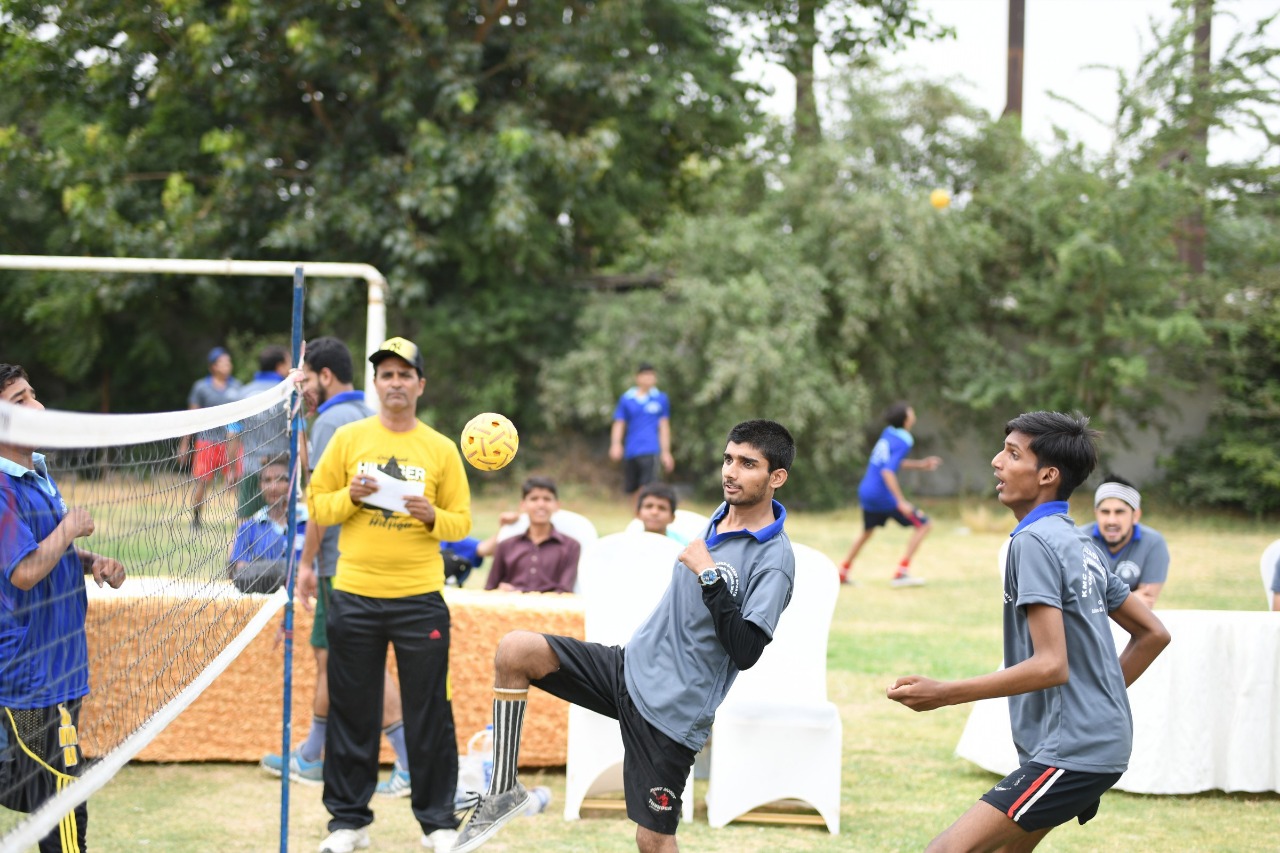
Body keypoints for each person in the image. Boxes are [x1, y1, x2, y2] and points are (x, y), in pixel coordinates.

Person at [453, 419, 796, 853]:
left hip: (672, 712)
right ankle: (503, 790)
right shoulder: (723, 514)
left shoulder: (775, 559)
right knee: (516, 649)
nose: (731, 471)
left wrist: (709, 574)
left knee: (653, 842)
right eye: (728, 459)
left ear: (776, 477)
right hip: (627, 668)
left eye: (748, 464)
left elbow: (746, 651)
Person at [887, 411, 1170, 852]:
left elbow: (1051, 665)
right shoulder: (1081, 543)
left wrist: (944, 693)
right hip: (1098, 742)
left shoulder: (1033, 542)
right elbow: (1154, 633)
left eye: (1013, 454)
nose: (997, 462)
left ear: (1048, 475)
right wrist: (1099, 702)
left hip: (1074, 749)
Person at [307, 336, 472, 853]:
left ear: (420, 385)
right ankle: (347, 823)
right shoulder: (349, 438)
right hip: (354, 595)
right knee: (353, 710)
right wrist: (348, 496)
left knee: (429, 710)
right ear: (375, 385)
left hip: (420, 597)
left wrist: (432, 516)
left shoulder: (441, 448)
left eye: (405, 375)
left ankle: (437, 822)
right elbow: (318, 504)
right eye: (386, 375)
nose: (395, 383)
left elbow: (462, 522)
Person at [259, 336, 416, 799]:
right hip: (366, 559)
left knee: (362, 665)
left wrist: (305, 563)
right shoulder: (365, 416)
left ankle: (409, 765)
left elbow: (322, 504)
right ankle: (311, 755)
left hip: (338, 565)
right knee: (329, 657)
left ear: (324, 376)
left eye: (304, 378)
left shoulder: (333, 422)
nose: (299, 387)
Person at [0, 363, 127, 853]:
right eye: (18, 401)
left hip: (61, 667)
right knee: (61, 806)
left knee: (41, 787)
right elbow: (25, 571)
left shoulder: (37, 471)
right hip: (34, 679)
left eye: (32, 394)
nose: (36, 406)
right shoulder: (4, 486)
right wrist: (70, 528)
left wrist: (93, 561)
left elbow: (44, 553)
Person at [840, 401, 942, 588]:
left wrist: (920, 465)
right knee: (924, 525)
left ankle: (842, 572)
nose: (914, 414)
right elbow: (887, 471)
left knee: (867, 532)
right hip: (881, 494)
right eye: (911, 412)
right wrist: (900, 501)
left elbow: (890, 462)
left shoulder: (888, 433)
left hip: (867, 490)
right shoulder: (905, 439)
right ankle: (901, 573)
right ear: (906, 419)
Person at [1082, 475, 1170, 608]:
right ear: (1096, 514)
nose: (1111, 520)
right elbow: (1073, 599)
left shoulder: (1153, 543)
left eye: (1119, 512)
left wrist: (1097, 600)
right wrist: (1130, 599)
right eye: (1105, 512)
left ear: (1135, 516)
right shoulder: (1078, 540)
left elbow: (1147, 601)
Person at [179, 346, 243, 529]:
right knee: (202, 482)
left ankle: (243, 519)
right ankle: (196, 519)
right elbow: (192, 417)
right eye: (223, 362)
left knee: (237, 480)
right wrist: (185, 444)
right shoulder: (201, 387)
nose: (227, 365)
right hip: (206, 442)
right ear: (213, 367)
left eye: (229, 362)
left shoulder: (237, 387)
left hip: (231, 442)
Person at [484, 477, 581, 594]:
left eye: (547, 499)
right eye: (534, 499)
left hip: (552, 610)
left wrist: (518, 591)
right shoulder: (506, 545)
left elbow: (565, 591)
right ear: (523, 505)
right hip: (510, 608)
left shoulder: (571, 546)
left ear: (557, 505)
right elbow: (490, 589)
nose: (541, 504)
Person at [227, 457, 305, 594]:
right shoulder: (249, 528)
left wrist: (262, 569)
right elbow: (241, 575)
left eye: (281, 479)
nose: (273, 487)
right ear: (260, 486)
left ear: (292, 483)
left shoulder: (312, 523)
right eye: (267, 480)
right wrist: (289, 572)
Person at [235, 344, 294, 520]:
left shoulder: (242, 393)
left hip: (251, 468)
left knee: (246, 525)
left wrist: (232, 468)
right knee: (283, 522)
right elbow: (299, 433)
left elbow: (232, 433)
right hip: (282, 473)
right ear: (280, 366)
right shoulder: (289, 392)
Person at [609, 363, 674, 495]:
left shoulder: (660, 399)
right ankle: (636, 515)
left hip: (651, 450)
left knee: (648, 488)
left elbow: (664, 426)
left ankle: (646, 515)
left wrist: (666, 452)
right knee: (631, 489)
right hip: (631, 450)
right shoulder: (627, 399)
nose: (648, 378)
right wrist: (616, 444)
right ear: (637, 377)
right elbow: (619, 423)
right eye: (645, 375)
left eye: (651, 375)